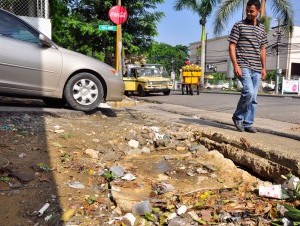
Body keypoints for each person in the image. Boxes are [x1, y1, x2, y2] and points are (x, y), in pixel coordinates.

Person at [228, 0, 267, 133]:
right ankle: (238, 117)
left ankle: (248, 122)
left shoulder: (262, 28)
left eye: (252, 11)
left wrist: (264, 67)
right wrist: (235, 65)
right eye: (247, 11)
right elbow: (232, 46)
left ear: (258, 11)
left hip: (256, 67)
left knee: (254, 97)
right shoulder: (239, 25)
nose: (249, 13)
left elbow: (263, 49)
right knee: (248, 92)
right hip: (243, 64)